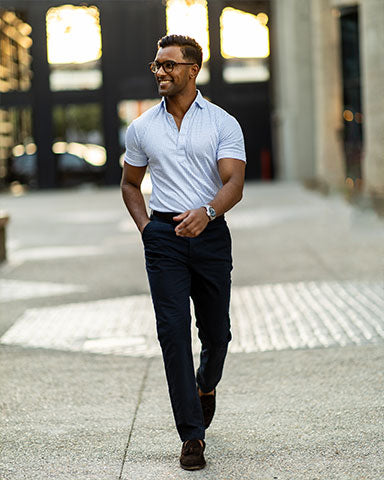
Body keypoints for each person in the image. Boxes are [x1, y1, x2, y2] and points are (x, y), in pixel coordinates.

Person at [121, 34, 246, 470]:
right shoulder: (142, 127)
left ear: (193, 70)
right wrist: (147, 230)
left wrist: (208, 212)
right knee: (172, 334)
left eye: (169, 65)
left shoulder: (222, 123)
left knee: (217, 335)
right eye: (156, 65)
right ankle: (192, 436)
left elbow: (233, 183)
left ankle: (206, 385)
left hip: (211, 237)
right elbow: (130, 184)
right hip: (164, 239)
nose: (160, 71)